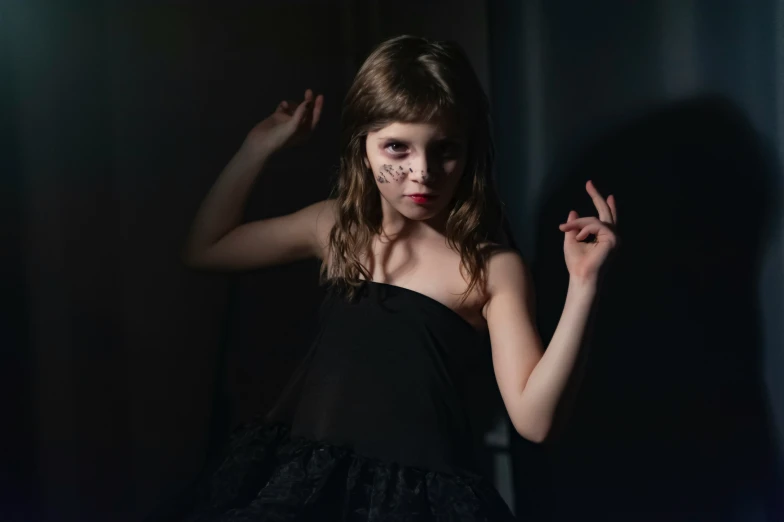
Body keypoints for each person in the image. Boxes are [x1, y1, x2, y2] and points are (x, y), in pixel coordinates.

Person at [158, 35, 618, 521]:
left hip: (418, 505)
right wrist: (257, 148)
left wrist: (583, 287)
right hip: (308, 492)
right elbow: (204, 249)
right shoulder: (336, 227)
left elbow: (535, 421)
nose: (422, 173)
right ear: (364, 147)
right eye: (396, 147)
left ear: (469, 152)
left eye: (444, 150)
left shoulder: (489, 267)